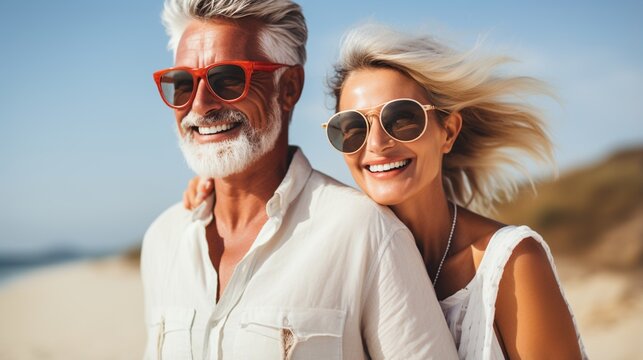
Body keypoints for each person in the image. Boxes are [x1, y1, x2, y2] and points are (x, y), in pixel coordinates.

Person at [187, 24, 588, 359]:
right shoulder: (349, 248)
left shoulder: (511, 262)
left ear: (447, 132)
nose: (376, 144)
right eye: (354, 128)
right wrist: (222, 191)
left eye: (402, 119)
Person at [142, 1, 458, 359]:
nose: (200, 105)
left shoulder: (365, 232)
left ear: (288, 87)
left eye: (227, 79)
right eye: (182, 84)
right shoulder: (161, 243)